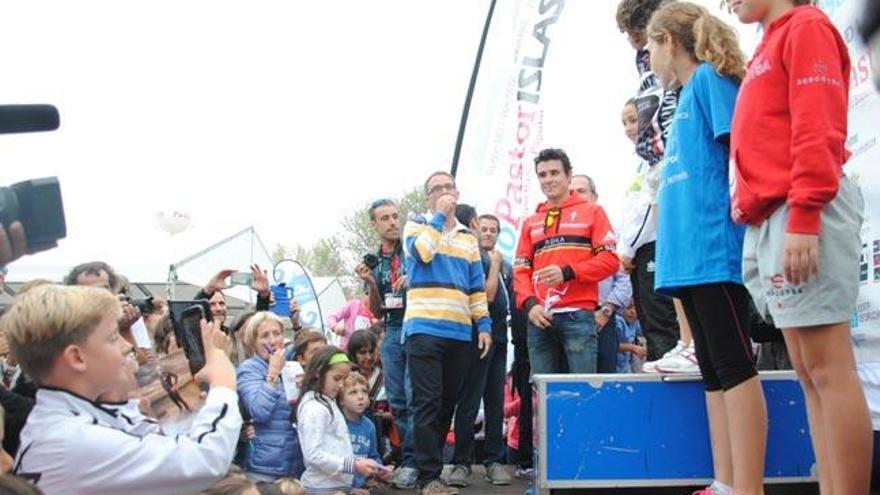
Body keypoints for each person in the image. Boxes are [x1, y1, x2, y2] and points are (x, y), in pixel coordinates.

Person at [728, 0, 872, 492]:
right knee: (809, 372)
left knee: (828, 369)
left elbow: (819, 127)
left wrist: (805, 216)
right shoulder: (769, 41)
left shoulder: (807, 26)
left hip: (801, 208)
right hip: (773, 214)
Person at [647, 4, 768, 494]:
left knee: (736, 366)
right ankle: (724, 481)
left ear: (669, 42)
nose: (649, 55)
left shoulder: (711, 82)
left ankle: (748, 486)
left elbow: (743, 148)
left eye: (651, 45)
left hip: (714, 248)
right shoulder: (681, 99)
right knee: (714, 373)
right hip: (687, 257)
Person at [4, 284, 242, 494]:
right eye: (111, 337)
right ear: (77, 357)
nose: (126, 345)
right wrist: (223, 382)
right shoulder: (72, 439)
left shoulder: (67, 422)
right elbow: (204, 459)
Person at [403, 171, 492, 495]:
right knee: (426, 403)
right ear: (427, 197)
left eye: (448, 187)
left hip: (459, 333)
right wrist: (439, 215)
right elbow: (423, 253)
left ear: (457, 191)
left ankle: (432, 469)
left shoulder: (469, 237)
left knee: (446, 405)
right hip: (424, 328)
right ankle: (428, 477)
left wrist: (484, 325)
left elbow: (476, 287)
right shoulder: (415, 226)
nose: (443, 192)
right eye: (436, 189)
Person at [615, 0, 683, 363]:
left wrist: (626, 248)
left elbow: (648, 201)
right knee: (661, 324)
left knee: (664, 323)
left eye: (634, 118)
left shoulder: (673, 73)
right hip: (649, 239)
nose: (632, 127)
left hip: (657, 236)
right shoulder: (641, 160)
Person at [513, 149, 619, 375]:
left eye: (554, 173)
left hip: (578, 315)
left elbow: (610, 261)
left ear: (568, 175)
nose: (548, 180)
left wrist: (569, 272)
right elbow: (521, 269)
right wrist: (530, 305)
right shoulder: (531, 222)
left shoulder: (593, 212)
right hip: (539, 317)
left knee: (582, 392)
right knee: (542, 396)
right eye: (542, 175)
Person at [447, 207, 512, 487]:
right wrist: (494, 264)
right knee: (470, 401)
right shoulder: (473, 257)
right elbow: (486, 296)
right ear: (474, 229)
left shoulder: (502, 262)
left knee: (495, 402)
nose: (487, 234)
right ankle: (461, 463)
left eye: (493, 230)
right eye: (483, 228)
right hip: (476, 338)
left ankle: (494, 461)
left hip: (499, 338)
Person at [355, 198, 417, 490]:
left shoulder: (414, 250)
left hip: (417, 326)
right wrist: (370, 283)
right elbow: (378, 311)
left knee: (415, 395)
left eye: (395, 216)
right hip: (391, 330)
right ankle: (407, 459)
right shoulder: (374, 261)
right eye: (385, 218)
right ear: (374, 224)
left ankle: (419, 461)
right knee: (398, 401)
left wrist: (414, 277)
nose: (393, 222)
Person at [570, 174, 634, 374]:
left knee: (604, 381)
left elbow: (624, 282)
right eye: (571, 192)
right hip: (568, 320)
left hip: (603, 319)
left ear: (594, 196)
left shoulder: (612, 235)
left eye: (582, 191)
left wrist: (605, 312)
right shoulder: (559, 236)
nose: (576, 196)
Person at [296, 346, 378, 495]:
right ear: (318, 373)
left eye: (344, 379)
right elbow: (313, 454)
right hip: (321, 488)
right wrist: (354, 466)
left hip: (334, 487)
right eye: (336, 378)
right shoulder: (314, 407)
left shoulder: (327, 400)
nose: (341, 385)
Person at [237, 312, 304, 482]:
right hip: (265, 467)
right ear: (253, 343)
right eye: (265, 336)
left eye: (277, 333)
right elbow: (258, 411)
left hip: (294, 465)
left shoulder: (292, 367)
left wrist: (306, 390)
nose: (273, 341)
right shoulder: (249, 369)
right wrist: (272, 374)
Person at [339, 372, 391, 494]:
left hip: (362, 485)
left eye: (364, 391)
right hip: (339, 486)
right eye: (353, 392)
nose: (361, 397)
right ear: (341, 400)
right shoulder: (338, 424)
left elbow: (373, 455)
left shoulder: (369, 426)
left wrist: (380, 469)